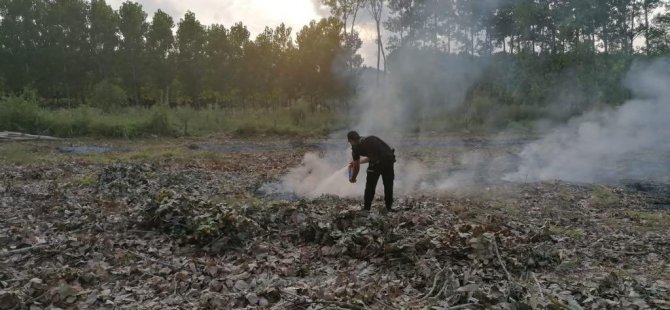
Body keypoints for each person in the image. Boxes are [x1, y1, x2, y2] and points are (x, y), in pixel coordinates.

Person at [347, 131, 396, 212]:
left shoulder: (355, 148)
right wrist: (357, 162)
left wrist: (353, 178)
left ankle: (366, 208)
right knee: (388, 185)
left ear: (350, 140)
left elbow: (356, 168)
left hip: (379, 163)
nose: (350, 143)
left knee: (370, 186)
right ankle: (389, 207)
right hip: (389, 160)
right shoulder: (370, 138)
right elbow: (372, 156)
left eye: (350, 142)